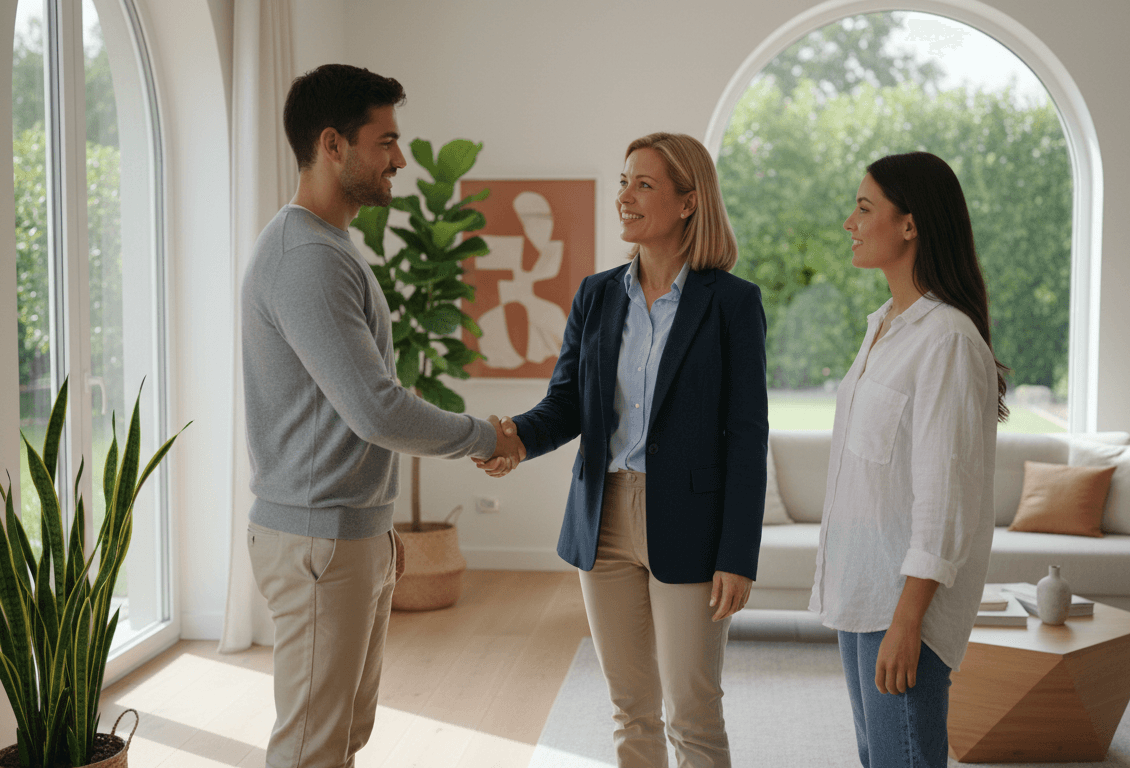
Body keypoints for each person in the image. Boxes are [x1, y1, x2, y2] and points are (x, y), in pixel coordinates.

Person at [241, 63, 523, 768]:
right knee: (311, 748)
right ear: (333, 144)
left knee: (342, 738)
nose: (399, 159)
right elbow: (375, 408)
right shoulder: (305, 257)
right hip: (319, 539)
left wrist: (378, 529)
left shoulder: (330, 247)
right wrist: (484, 436)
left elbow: (350, 411)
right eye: (386, 141)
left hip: (346, 532)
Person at [478, 132, 768, 768]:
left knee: (692, 713)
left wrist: (738, 554)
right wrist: (515, 439)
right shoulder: (598, 294)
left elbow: (748, 437)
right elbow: (566, 405)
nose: (624, 197)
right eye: (623, 182)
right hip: (602, 518)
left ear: (688, 202)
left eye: (644, 184)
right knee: (630, 708)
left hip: (692, 524)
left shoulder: (732, 303)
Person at [812, 151, 1007, 768]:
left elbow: (945, 500)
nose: (850, 222)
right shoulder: (884, 327)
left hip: (901, 607)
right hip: (863, 593)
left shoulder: (947, 340)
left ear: (910, 225)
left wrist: (907, 621)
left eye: (864, 208)